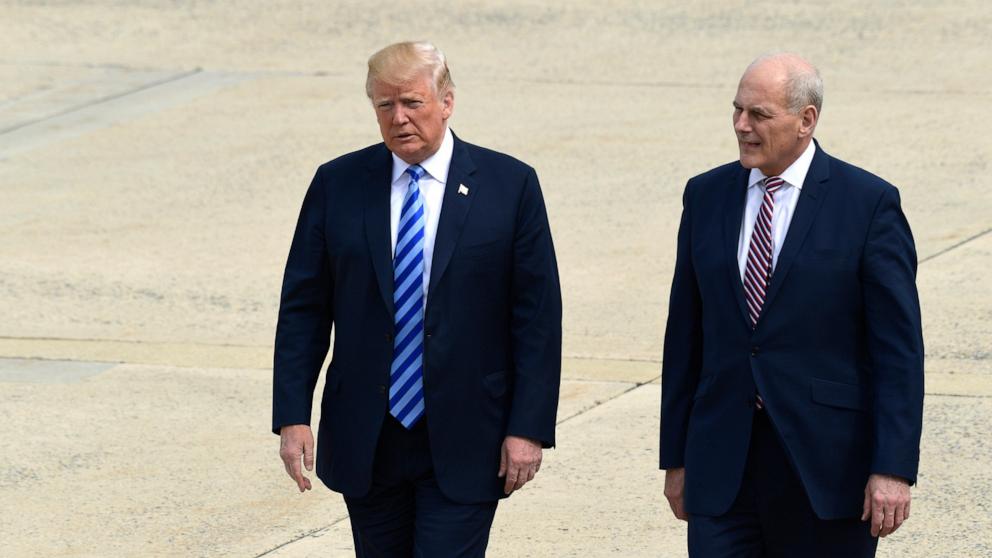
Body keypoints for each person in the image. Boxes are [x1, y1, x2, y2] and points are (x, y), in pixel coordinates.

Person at [272, 41, 562, 557]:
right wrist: (293, 416)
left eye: (412, 103)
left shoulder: (508, 185)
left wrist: (529, 427)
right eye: (385, 106)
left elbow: (537, 319)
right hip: (368, 433)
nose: (399, 118)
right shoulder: (337, 183)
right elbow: (304, 309)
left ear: (446, 102)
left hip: (469, 433)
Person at [659, 52, 924, 557]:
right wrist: (676, 457)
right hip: (722, 467)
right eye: (737, 110)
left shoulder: (867, 204)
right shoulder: (706, 195)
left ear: (807, 120)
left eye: (759, 115)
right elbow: (685, 335)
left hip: (827, 473)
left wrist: (892, 467)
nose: (741, 126)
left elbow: (898, 352)